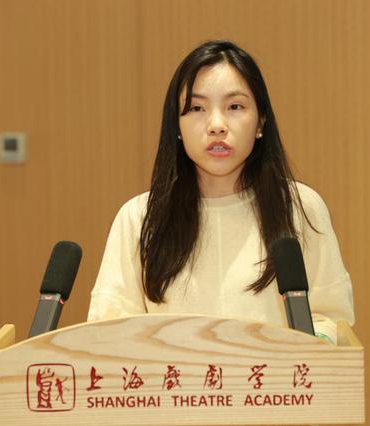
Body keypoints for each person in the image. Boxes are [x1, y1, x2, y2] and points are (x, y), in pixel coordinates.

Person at [87, 40, 354, 343]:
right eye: (197, 108)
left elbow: (331, 319)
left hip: (272, 375)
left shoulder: (299, 207)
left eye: (235, 107)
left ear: (261, 121)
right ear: (176, 125)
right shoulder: (138, 218)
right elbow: (110, 330)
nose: (216, 125)